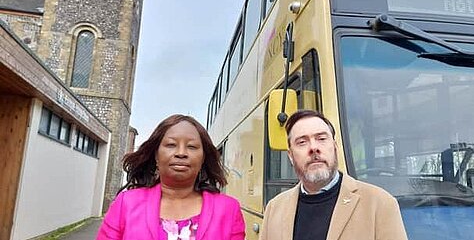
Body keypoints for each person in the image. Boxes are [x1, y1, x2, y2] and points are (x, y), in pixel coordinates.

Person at [260, 110, 407, 240]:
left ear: (335, 148)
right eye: (302, 142)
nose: (314, 148)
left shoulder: (380, 204)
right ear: (291, 156)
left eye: (322, 139)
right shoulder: (274, 209)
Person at [97, 114, 245, 240]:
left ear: (203, 158)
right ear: (156, 154)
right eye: (171, 145)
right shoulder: (126, 203)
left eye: (192, 147)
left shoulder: (229, 209)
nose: (181, 153)